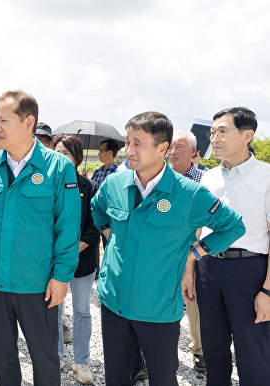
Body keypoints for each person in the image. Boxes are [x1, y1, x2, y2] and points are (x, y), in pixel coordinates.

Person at [91, 111, 245, 386]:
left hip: (158, 309)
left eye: (137, 142)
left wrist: (194, 252)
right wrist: (108, 233)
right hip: (113, 302)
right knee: (115, 378)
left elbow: (233, 227)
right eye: (128, 141)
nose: (129, 149)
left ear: (162, 148)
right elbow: (97, 208)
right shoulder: (114, 183)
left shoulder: (190, 194)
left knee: (162, 378)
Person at [0, 90, 81, 386]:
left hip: (38, 284)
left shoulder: (58, 167)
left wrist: (61, 276)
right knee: (3, 356)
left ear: (28, 123)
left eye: (3, 120)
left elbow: (67, 229)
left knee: (44, 357)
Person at [184, 107, 270, 386]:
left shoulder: (266, 177)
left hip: (249, 270)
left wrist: (267, 290)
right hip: (208, 268)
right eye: (212, 132)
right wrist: (190, 270)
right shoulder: (208, 178)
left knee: (252, 349)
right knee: (213, 346)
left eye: (222, 131)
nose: (214, 137)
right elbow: (196, 229)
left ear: (248, 135)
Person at [52, 134, 99, 384]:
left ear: (77, 158)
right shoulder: (46, 184)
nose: (61, 157)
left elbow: (93, 228)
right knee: (54, 309)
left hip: (81, 261)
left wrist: (69, 253)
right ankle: (56, 355)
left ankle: (82, 361)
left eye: (66, 153)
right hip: (52, 261)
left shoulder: (90, 187)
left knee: (82, 312)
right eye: (57, 151)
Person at [167, 130, 206, 372]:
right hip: (165, 251)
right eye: (169, 147)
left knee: (194, 302)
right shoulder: (161, 178)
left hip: (195, 251)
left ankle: (200, 350)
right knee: (163, 301)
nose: (172, 152)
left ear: (193, 151)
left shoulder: (206, 180)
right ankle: (162, 351)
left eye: (178, 147)